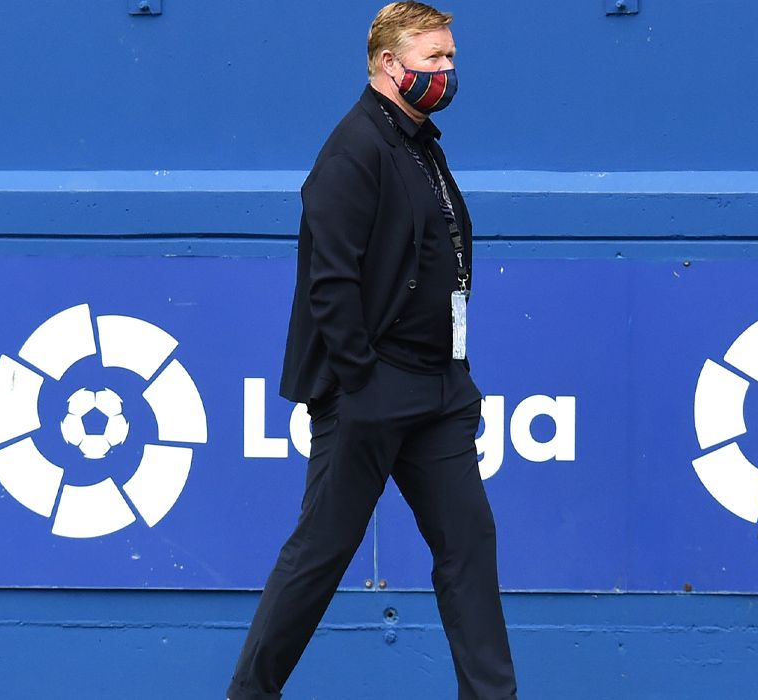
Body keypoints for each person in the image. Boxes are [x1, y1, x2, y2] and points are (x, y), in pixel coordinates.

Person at [225, 3, 518, 699]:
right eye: (434, 58)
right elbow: (330, 281)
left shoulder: (420, 144)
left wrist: (454, 375)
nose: (447, 70)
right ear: (390, 64)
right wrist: (362, 380)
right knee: (322, 553)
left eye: (450, 57)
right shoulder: (353, 147)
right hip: (372, 389)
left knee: (469, 545)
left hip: (439, 392)